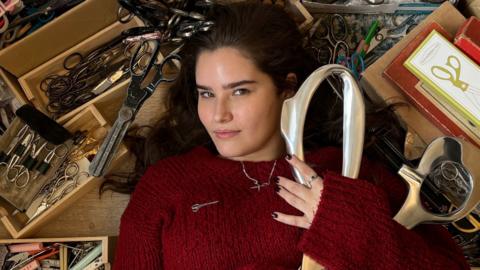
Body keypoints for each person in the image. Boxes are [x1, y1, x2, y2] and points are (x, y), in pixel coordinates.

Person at [111, 2, 469, 269]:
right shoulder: (164, 186)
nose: (218, 114)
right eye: (207, 93)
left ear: (286, 87)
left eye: (240, 91)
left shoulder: (348, 174)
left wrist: (344, 223)